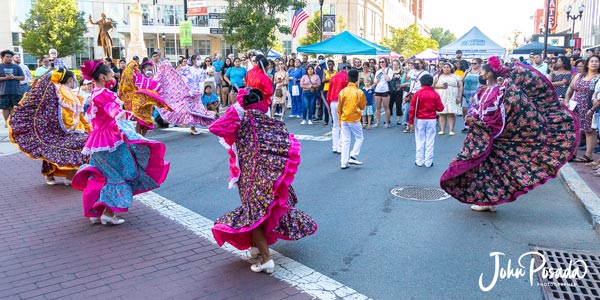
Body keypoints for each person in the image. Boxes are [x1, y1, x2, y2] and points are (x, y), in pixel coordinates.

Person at [440, 56, 577, 212]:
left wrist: (485, 126)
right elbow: (476, 108)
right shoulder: (483, 90)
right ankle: (488, 201)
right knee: (484, 169)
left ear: (489, 74)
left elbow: (501, 113)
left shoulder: (501, 91)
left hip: (492, 135)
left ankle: (488, 201)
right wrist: (473, 117)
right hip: (481, 134)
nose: (481, 75)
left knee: (489, 169)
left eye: (483, 72)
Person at [208, 88, 318, 274]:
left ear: (243, 103)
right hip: (269, 175)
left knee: (254, 214)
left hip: (252, 176)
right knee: (261, 212)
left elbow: (215, 127)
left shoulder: (241, 118)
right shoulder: (268, 121)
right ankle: (256, 249)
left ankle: (267, 259)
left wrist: (236, 108)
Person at [72, 60, 170, 225]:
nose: (114, 75)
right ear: (103, 77)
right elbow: (112, 110)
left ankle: (96, 211)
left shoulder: (94, 93)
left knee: (100, 175)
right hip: (111, 141)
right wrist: (121, 113)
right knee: (121, 173)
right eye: (110, 73)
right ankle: (109, 213)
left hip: (97, 142)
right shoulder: (104, 94)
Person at [9, 68, 90, 185]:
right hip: (62, 131)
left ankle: (54, 176)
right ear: (71, 79)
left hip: (56, 130)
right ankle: (67, 176)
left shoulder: (54, 89)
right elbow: (69, 116)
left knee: (50, 148)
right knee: (79, 144)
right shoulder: (63, 92)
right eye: (74, 80)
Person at [153, 60, 216, 133]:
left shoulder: (197, 70)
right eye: (197, 59)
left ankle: (192, 126)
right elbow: (176, 76)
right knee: (186, 109)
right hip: (185, 92)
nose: (198, 60)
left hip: (195, 93)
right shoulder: (183, 70)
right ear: (194, 60)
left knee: (195, 109)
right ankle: (185, 122)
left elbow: (204, 74)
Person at [119, 59, 171, 136]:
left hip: (148, 105)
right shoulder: (138, 77)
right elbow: (129, 74)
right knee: (139, 121)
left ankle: (142, 137)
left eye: (151, 70)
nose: (149, 71)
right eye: (148, 69)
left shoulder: (153, 80)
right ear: (143, 70)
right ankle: (138, 137)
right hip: (138, 103)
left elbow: (159, 89)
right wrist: (134, 64)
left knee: (147, 121)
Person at [564, 55, 600, 163]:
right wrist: (566, 101)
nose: (594, 63)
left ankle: (588, 156)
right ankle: (572, 154)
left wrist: (593, 108)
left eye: (596, 61)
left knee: (590, 130)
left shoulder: (598, 77)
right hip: (576, 106)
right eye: (592, 61)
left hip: (590, 107)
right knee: (576, 130)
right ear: (587, 64)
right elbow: (570, 89)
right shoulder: (579, 75)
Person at [407, 74, 444, 168]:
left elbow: (412, 109)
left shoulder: (417, 94)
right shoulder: (435, 94)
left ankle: (419, 161)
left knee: (419, 140)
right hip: (431, 119)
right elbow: (440, 108)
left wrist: (410, 122)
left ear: (420, 82)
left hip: (420, 119)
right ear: (432, 83)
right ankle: (428, 162)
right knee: (430, 140)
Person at [338, 69, 366, 169]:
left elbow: (339, 107)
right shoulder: (359, 92)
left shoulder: (342, 91)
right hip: (354, 118)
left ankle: (343, 162)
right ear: (357, 79)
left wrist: (339, 120)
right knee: (359, 137)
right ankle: (353, 155)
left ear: (347, 78)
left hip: (344, 118)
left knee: (345, 140)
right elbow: (362, 106)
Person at [434, 62, 463, 135]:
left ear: (451, 68)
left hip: (452, 97)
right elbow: (433, 85)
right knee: (442, 113)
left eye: (448, 67)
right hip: (441, 96)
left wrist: (459, 96)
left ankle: (451, 130)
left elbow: (460, 86)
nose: (446, 69)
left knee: (451, 113)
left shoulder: (456, 76)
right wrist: (440, 86)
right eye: (444, 67)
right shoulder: (438, 76)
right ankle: (442, 130)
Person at [327, 65, 350, 154]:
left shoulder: (333, 77)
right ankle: (340, 146)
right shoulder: (346, 77)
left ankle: (334, 146)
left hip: (333, 102)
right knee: (343, 125)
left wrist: (329, 105)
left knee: (335, 124)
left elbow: (329, 92)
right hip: (342, 102)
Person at [403, 59, 429, 133]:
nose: (417, 65)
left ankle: (418, 125)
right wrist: (406, 72)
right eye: (415, 63)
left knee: (419, 110)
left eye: (418, 63)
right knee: (408, 109)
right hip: (412, 93)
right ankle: (408, 124)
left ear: (422, 64)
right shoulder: (412, 71)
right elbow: (406, 80)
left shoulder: (425, 73)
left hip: (420, 93)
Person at [0, 50, 25, 127]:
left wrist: (14, 77)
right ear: (2, 57)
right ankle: (6, 122)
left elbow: (22, 77)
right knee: (5, 107)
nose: (9, 58)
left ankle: (12, 121)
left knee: (14, 107)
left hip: (15, 90)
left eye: (10, 57)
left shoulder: (16, 66)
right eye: (7, 57)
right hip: (3, 91)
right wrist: (5, 78)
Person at [461, 58, 482, 132]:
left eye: (475, 63)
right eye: (472, 63)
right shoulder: (468, 71)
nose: (473, 65)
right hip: (466, 93)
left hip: (475, 94)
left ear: (479, 64)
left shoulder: (481, 72)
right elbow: (461, 80)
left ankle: (474, 125)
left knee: (474, 110)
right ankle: (466, 125)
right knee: (464, 109)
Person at [373, 58, 393, 128]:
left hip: (385, 90)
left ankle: (387, 122)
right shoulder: (378, 71)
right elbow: (375, 82)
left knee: (386, 107)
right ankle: (377, 122)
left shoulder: (389, 70)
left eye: (383, 62)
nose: (381, 63)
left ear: (386, 62)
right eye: (380, 62)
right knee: (378, 107)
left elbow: (388, 79)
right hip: (378, 90)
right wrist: (377, 80)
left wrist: (384, 72)